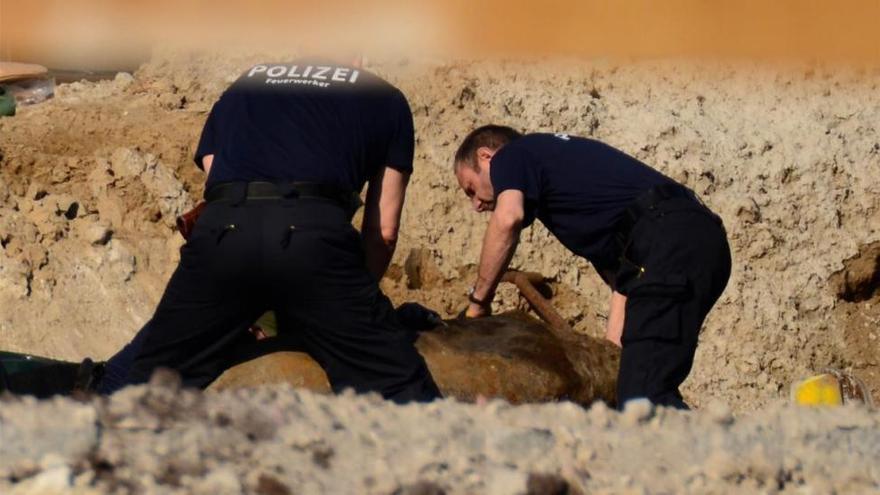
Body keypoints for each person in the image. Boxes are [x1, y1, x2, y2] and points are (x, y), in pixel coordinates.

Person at [98, 58, 441, 403]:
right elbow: (383, 230)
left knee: (150, 381)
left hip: (225, 230)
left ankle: (96, 417)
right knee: (400, 389)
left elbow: (213, 169)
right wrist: (353, 304)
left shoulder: (250, 80)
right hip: (313, 236)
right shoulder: (385, 97)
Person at [452, 125, 731, 409]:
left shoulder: (513, 155)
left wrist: (478, 302)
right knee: (637, 390)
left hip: (672, 239)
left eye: (471, 189)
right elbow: (624, 283)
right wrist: (612, 357)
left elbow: (508, 218)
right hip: (693, 244)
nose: (476, 205)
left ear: (486, 157)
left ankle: (728, 452)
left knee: (644, 399)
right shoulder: (575, 190)